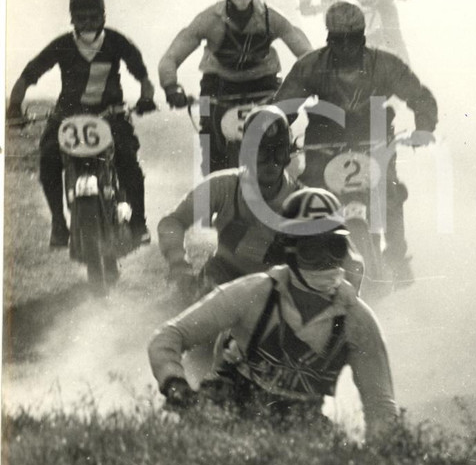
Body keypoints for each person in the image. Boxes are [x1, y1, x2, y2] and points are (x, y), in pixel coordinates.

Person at [148, 187, 400, 439]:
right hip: (229, 412)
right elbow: (168, 337)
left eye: (334, 247)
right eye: (311, 251)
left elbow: (381, 405)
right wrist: (176, 388)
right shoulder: (253, 294)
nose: (326, 261)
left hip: (303, 426)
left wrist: (378, 460)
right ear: (288, 252)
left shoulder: (357, 321)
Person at [269, 0, 438, 284]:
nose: (346, 48)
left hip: (374, 141)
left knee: (391, 194)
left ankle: (398, 257)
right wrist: (277, 137)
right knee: (310, 198)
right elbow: (282, 107)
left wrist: (424, 126)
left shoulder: (385, 64)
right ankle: (303, 260)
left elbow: (419, 95)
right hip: (324, 144)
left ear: (363, 37)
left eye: (353, 40)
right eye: (339, 40)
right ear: (329, 38)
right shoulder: (310, 66)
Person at [157, 105, 364, 299]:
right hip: (224, 281)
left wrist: (336, 306)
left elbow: (353, 264)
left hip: (279, 291)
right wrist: (179, 265)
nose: (271, 162)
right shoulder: (223, 186)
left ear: (288, 155)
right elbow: (172, 222)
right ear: (245, 154)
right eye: (262, 152)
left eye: (279, 151)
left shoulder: (305, 201)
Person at [5, 0, 156, 247]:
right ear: (71, 18)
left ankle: (139, 222)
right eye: (81, 16)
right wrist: (14, 106)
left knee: (128, 159)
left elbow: (142, 76)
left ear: (104, 17)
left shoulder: (118, 42)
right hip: (67, 116)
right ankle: (58, 223)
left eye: (93, 16)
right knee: (49, 158)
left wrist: (146, 97)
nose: (87, 22)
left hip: (111, 114)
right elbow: (29, 75)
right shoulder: (62, 45)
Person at [160, 0, 312, 174]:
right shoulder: (209, 20)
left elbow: (306, 53)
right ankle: (216, 192)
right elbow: (171, 57)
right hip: (219, 92)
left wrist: (308, 82)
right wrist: (171, 86)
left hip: (264, 90)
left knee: (281, 146)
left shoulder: (272, 18)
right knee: (213, 154)